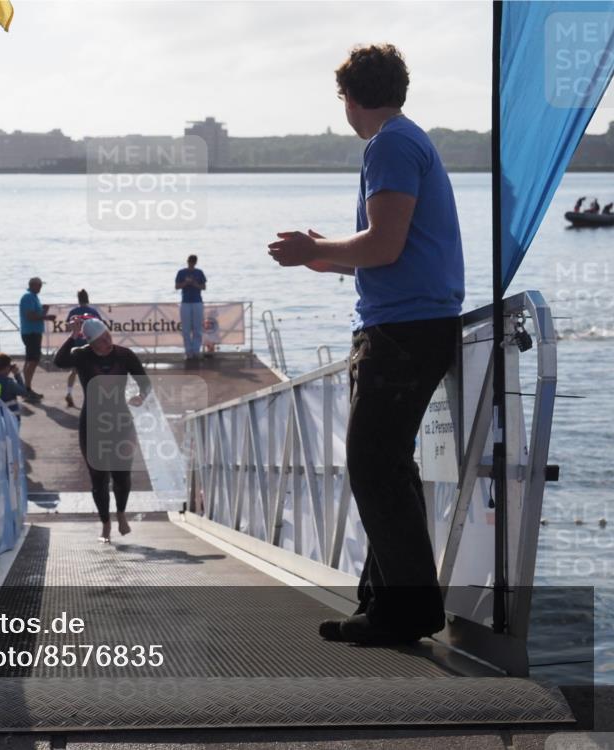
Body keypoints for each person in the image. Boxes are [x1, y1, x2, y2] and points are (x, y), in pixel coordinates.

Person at [268, 44, 464, 646]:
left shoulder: (391, 145)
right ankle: (383, 603)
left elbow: (384, 246)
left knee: (373, 465)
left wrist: (317, 250)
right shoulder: (405, 140)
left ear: (349, 99)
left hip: (403, 333)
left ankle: (405, 611)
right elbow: (391, 251)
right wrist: (328, 258)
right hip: (409, 324)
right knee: (385, 466)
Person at [53, 317, 150, 543]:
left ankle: (122, 513)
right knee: (98, 478)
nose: (108, 341)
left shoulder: (125, 355)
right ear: (91, 343)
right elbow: (59, 361)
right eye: (101, 339)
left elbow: (145, 382)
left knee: (122, 476)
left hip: (120, 421)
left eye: (108, 335)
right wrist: (72, 336)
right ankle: (105, 524)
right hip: (92, 424)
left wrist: (141, 396)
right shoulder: (81, 355)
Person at [64, 289, 103, 408]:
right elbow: (100, 328)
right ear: (87, 298)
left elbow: (67, 328)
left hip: (76, 344)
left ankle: (69, 393)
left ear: (78, 299)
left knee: (74, 370)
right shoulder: (93, 312)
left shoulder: (73, 312)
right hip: (89, 344)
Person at [18, 277, 55, 401]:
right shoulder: (28, 297)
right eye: (39, 285)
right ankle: (27, 389)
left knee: (30, 359)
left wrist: (43, 311)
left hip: (32, 332)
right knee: (33, 360)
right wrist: (46, 317)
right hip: (31, 332)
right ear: (33, 285)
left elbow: (35, 313)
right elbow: (30, 316)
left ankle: (26, 388)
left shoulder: (33, 297)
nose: (40, 288)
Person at [175, 255, 207, 360]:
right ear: (187, 261)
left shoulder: (199, 272)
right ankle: (188, 351)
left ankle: (196, 351)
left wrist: (194, 284)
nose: (191, 264)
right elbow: (177, 286)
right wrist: (186, 283)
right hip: (185, 302)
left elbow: (203, 287)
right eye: (190, 262)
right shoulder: (181, 272)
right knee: (186, 329)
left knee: (197, 328)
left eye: (193, 262)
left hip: (197, 302)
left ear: (195, 262)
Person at [0, 353, 27, 423]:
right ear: (6, 368)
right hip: (10, 420)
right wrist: (17, 374)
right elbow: (24, 392)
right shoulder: (9, 383)